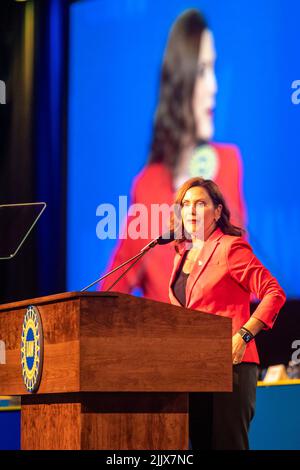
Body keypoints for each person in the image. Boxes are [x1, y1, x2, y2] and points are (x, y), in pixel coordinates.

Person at [100, 9, 246, 302]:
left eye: (213, 69)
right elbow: (113, 287)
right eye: (203, 71)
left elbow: (239, 275)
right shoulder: (148, 185)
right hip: (166, 346)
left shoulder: (228, 164)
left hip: (224, 344)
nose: (214, 87)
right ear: (181, 83)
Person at [169, 176, 286, 450]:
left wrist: (244, 335)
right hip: (190, 370)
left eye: (200, 203)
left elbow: (273, 293)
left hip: (230, 367)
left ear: (218, 211)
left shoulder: (230, 248)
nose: (192, 210)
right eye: (186, 204)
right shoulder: (180, 256)